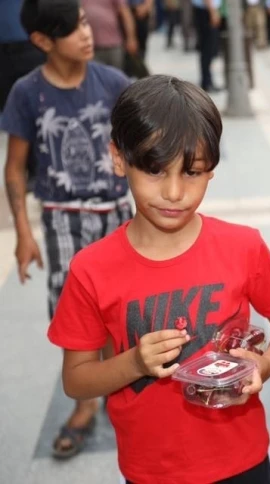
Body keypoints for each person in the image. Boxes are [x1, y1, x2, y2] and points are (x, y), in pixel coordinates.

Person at [47, 74, 270, 483]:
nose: (175, 192)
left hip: (243, 460)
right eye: (155, 171)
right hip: (151, 470)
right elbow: (76, 379)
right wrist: (134, 362)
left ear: (211, 169)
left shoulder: (243, 246)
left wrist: (262, 367)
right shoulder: (91, 269)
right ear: (118, 158)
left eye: (192, 172)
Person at [1, 0, 133, 460]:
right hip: (61, 219)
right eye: (73, 29)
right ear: (42, 41)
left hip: (117, 214)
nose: (87, 33)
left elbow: (142, 148)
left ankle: (121, 387)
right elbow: (15, 169)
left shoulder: (113, 83)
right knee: (73, 312)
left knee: (123, 306)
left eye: (84, 22)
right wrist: (24, 232)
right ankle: (85, 404)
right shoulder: (27, 93)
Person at [82, 0, 138, 70]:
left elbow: (126, 14)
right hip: (90, 46)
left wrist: (131, 38)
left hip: (113, 45)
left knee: (116, 73)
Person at [192, 0, 222, 92]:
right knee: (208, 49)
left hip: (206, 10)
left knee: (207, 49)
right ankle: (207, 82)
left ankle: (207, 81)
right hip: (206, 11)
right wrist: (213, 12)